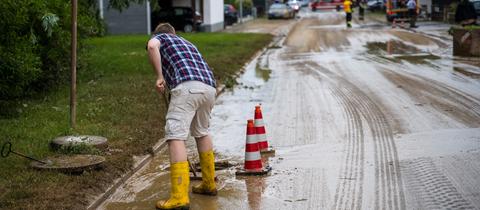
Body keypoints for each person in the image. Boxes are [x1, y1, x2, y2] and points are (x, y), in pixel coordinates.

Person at [146, 23, 217, 210]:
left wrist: (159, 76)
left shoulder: (161, 38)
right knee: (202, 132)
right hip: (209, 88)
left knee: (175, 136)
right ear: (175, 32)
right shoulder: (188, 43)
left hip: (187, 87)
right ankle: (209, 183)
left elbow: (152, 47)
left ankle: (179, 197)